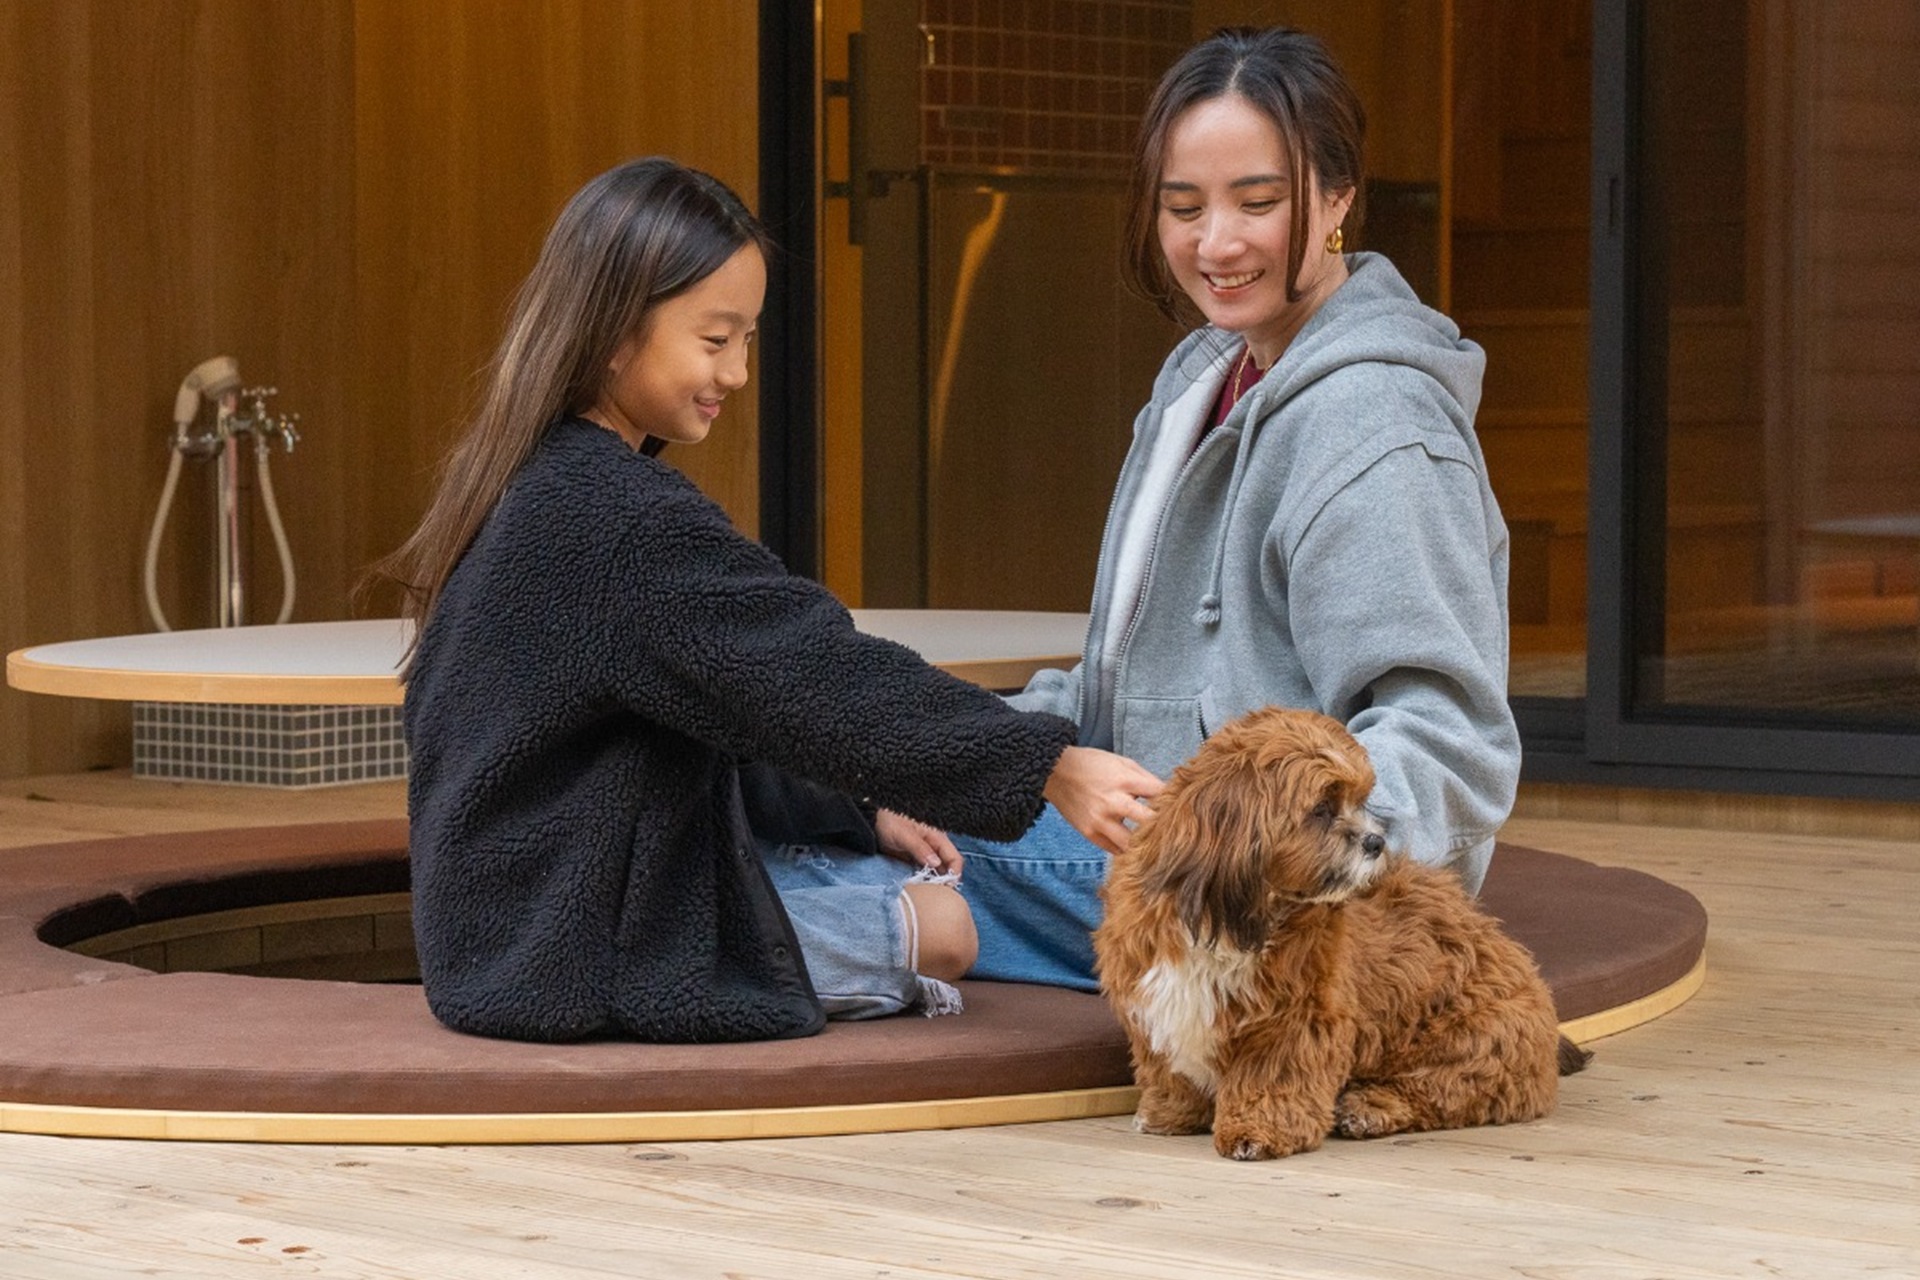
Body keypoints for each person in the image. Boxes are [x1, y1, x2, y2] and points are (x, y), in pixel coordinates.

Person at [381, 157, 1161, 1044]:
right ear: (612, 331)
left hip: (524, 923)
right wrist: (1053, 764)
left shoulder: (542, 485)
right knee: (947, 925)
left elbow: (736, 704)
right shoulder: (615, 520)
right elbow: (817, 672)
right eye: (715, 341)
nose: (740, 374)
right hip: (568, 949)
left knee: (926, 854)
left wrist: (858, 806)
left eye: (746, 340)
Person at [948, 25, 1522, 991]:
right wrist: (982, 743)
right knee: (834, 782)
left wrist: (1261, 876)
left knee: (788, 838)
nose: (1216, 244)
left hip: (1245, 906)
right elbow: (1122, 688)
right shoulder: (1203, 381)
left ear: (1337, 198)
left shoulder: (1372, 420)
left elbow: (1445, 743)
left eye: (1257, 203)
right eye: (1183, 206)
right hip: (1143, 835)